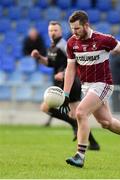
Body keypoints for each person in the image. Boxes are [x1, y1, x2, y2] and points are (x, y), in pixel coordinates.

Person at [62, 10, 120, 168]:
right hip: (87, 87)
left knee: (80, 112)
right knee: (106, 122)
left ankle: (80, 155)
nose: (74, 32)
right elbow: (70, 69)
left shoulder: (103, 40)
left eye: (77, 29)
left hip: (103, 84)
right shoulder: (71, 43)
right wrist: (66, 93)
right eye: (72, 29)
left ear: (86, 25)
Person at [31, 21, 100, 150]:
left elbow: (76, 63)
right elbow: (50, 63)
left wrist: (63, 73)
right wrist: (39, 57)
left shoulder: (64, 45)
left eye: (55, 30)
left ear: (61, 32)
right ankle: (94, 143)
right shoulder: (52, 46)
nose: (53, 32)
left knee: (47, 107)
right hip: (62, 83)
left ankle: (75, 125)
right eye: (51, 30)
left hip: (71, 83)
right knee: (77, 115)